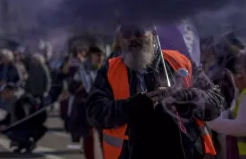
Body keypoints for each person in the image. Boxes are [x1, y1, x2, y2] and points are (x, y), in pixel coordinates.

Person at [86, 23, 224, 159]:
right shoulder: (110, 70)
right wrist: (134, 105)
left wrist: (186, 97)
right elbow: (94, 112)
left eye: (139, 32)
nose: (133, 38)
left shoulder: (181, 62)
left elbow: (216, 101)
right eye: (127, 33)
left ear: (153, 33)